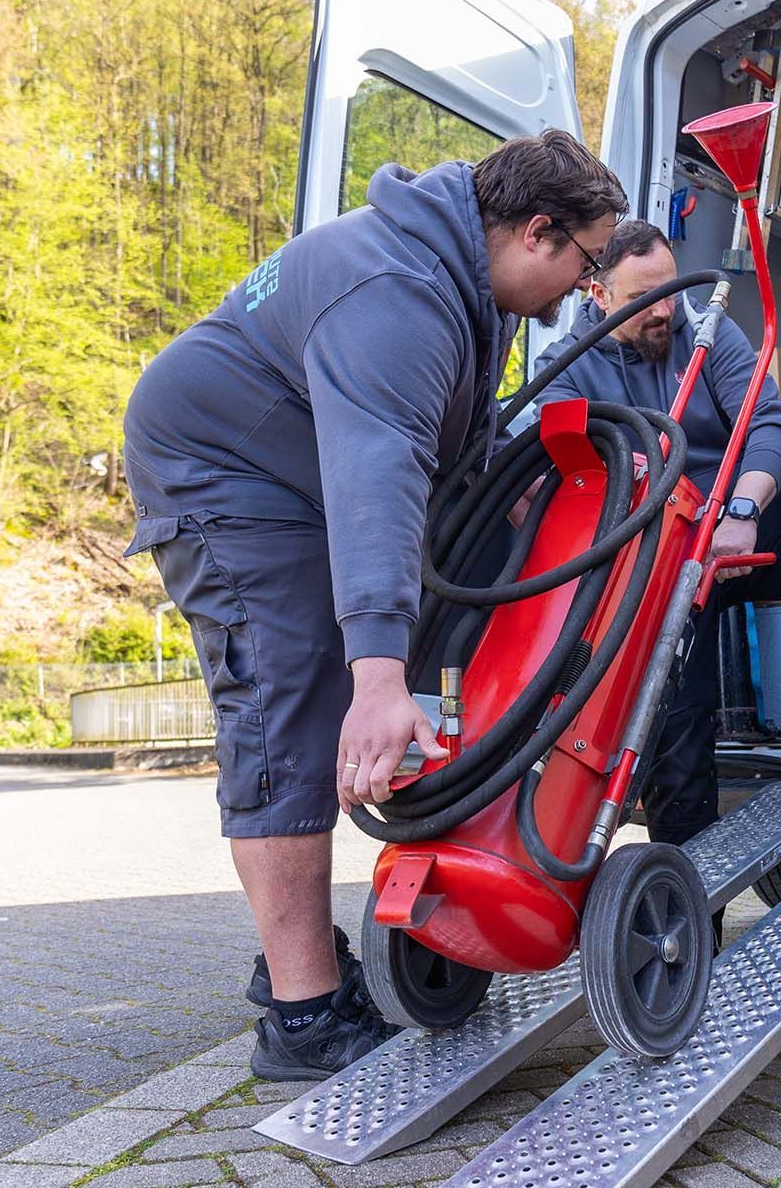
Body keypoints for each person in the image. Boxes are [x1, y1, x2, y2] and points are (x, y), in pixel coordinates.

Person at [121, 130, 626, 1081]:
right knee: (287, 712)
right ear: (536, 231)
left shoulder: (466, 281)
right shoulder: (397, 291)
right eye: (588, 265)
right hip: (224, 477)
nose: (584, 292)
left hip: (293, 475)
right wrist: (379, 679)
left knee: (357, 674)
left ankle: (311, 966)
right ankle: (305, 1017)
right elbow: (375, 477)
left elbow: (440, 449)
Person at [530, 219, 781, 853]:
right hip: (656, 556)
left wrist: (741, 510)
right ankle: (689, 910)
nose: (666, 310)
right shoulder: (564, 369)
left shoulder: (705, 329)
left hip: (734, 528)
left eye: (672, 289)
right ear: (598, 294)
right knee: (676, 723)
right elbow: (544, 474)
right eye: (645, 298)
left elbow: (768, 419)